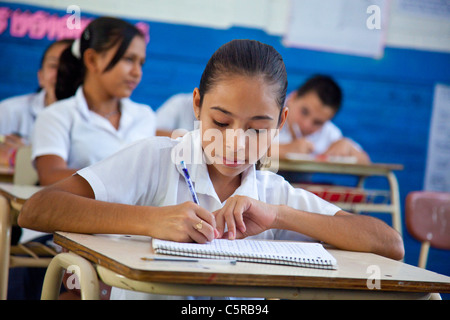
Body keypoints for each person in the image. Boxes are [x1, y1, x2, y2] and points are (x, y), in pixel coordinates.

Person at [19, 39, 404, 300]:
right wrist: (150, 221)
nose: (237, 142)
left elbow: (390, 245)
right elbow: (38, 208)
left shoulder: (272, 193)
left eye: (258, 128)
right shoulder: (156, 159)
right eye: (221, 122)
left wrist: (279, 216)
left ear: (282, 121)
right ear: (198, 106)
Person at [31, 17, 156, 186]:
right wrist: (123, 181)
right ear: (92, 60)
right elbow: (51, 176)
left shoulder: (145, 116)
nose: (137, 72)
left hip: (136, 212)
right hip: (78, 212)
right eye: (128, 59)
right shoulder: (56, 116)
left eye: (141, 63)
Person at [0, 39, 72, 167]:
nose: (60, 74)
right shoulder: (9, 111)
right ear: (40, 77)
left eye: (69, 67)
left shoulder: (97, 120)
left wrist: (25, 155)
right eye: (54, 66)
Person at [276, 75, 371, 164]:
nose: (306, 124)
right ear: (293, 97)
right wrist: (283, 150)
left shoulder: (327, 131)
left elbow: (366, 162)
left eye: (317, 122)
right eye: (304, 112)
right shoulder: (269, 111)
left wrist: (348, 147)